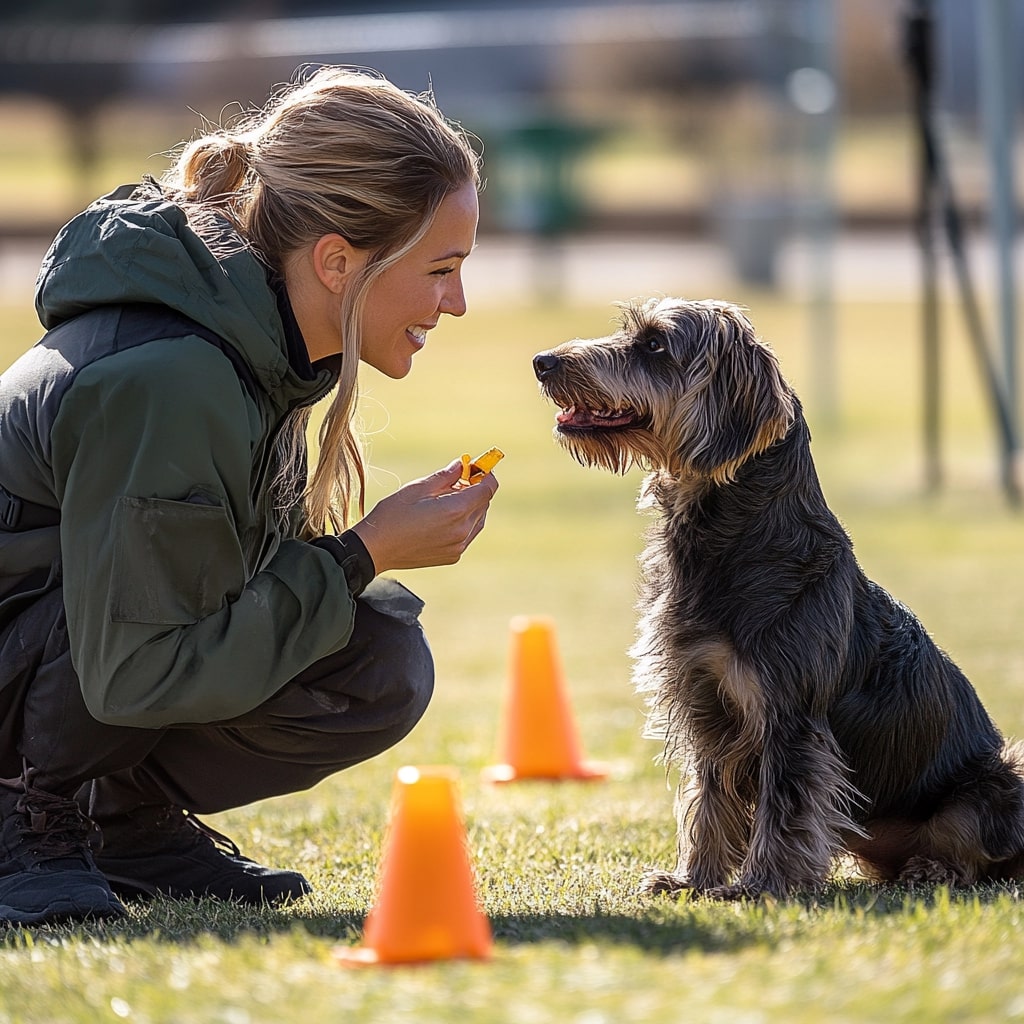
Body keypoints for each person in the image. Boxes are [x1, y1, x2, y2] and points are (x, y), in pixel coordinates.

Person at [0, 66, 498, 926]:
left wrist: (354, 566)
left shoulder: (254, 340)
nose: (456, 302)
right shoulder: (174, 375)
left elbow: (215, 586)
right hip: (61, 651)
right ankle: (23, 819)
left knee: (371, 659)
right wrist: (362, 551)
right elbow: (139, 666)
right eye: (441, 268)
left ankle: (119, 823)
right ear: (338, 262)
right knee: (306, 617)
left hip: (61, 653)